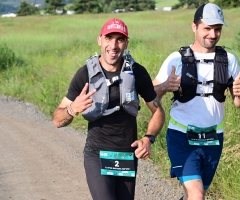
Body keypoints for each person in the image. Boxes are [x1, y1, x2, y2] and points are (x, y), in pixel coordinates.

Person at [53, 18, 165, 200]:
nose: (113, 45)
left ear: (126, 43)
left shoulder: (137, 72)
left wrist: (148, 139)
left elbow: (158, 111)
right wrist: (72, 109)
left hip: (127, 155)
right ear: (100, 40)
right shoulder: (85, 74)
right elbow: (57, 120)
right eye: (109, 38)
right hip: (96, 153)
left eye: (119, 39)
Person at [152, 3, 240, 200]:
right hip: (181, 137)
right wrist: (163, 87)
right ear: (194, 27)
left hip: (214, 138)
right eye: (207, 28)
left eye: (217, 29)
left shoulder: (229, 59)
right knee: (197, 195)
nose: (213, 34)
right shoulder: (176, 59)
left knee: (197, 194)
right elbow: (151, 96)